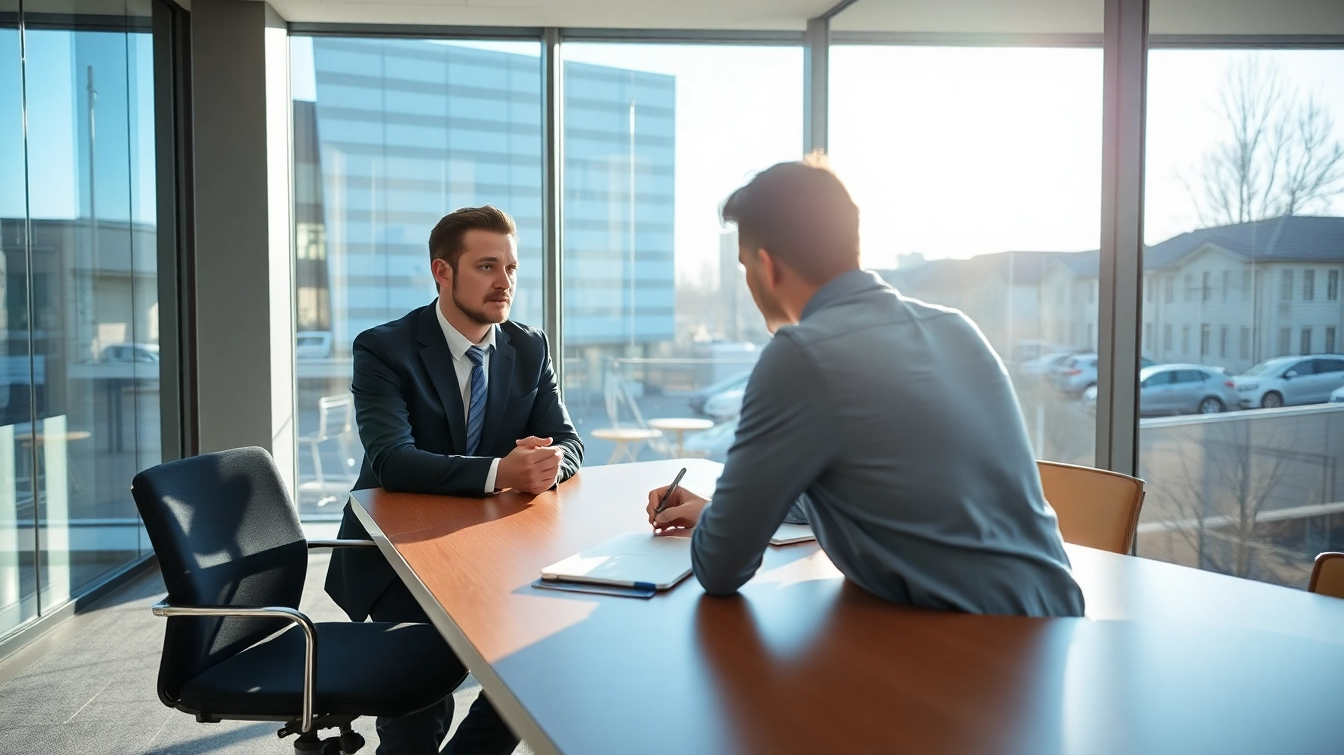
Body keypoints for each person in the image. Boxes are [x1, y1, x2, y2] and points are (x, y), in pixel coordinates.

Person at [645, 155, 1085, 618]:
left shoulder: (802, 353)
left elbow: (719, 568)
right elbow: (864, 485)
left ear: (766, 266)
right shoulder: (956, 328)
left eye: (744, 267)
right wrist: (721, 513)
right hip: (1055, 628)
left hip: (974, 650)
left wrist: (727, 528)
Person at [326, 205, 583, 755]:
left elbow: (570, 440)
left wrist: (548, 463)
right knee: (419, 711)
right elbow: (393, 460)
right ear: (442, 272)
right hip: (399, 553)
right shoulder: (384, 348)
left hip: (491, 550)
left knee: (537, 667)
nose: (505, 282)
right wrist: (499, 472)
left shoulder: (528, 346)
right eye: (487, 266)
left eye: (511, 268)